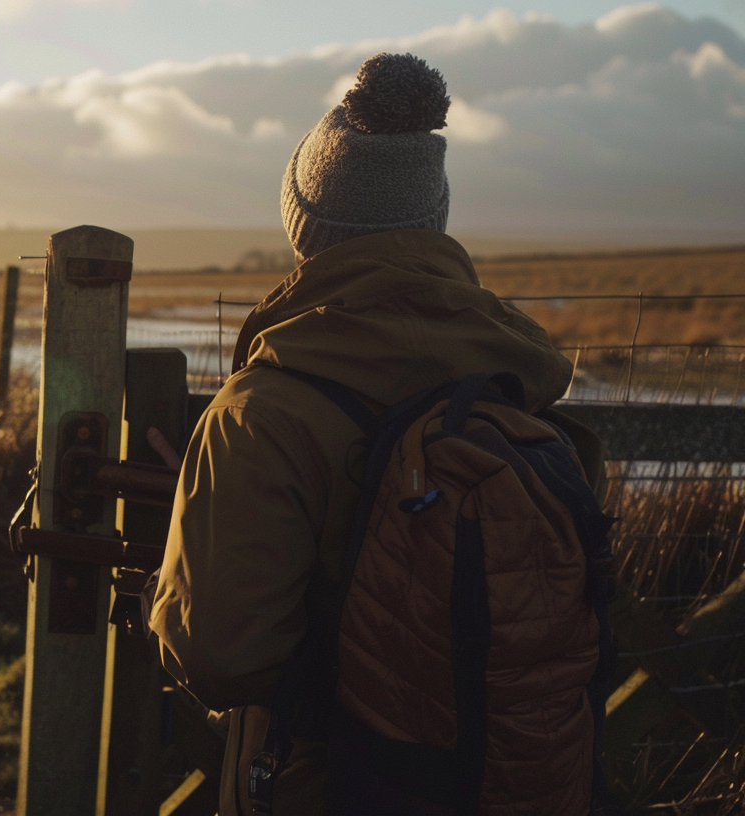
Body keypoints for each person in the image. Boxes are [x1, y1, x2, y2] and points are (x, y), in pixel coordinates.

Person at [147, 53, 607, 814]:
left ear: (304, 226)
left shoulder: (259, 414)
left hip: (327, 786)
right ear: (434, 222)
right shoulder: (518, 386)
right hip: (504, 784)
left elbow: (221, 656)